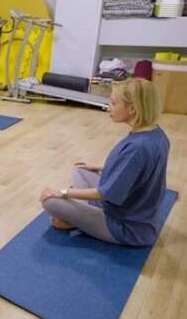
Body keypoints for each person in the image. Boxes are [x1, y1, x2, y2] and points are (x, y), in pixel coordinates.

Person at [40, 78, 170, 246]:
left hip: (126, 228)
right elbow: (138, 170)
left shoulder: (137, 148)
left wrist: (63, 192)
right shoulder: (157, 134)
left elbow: (104, 194)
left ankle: (80, 222)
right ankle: (84, 217)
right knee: (81, 171)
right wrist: (100, 167)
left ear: (132, 108)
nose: (109, 107)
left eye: (114, 103)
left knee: (50, 201)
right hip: (134, 209)